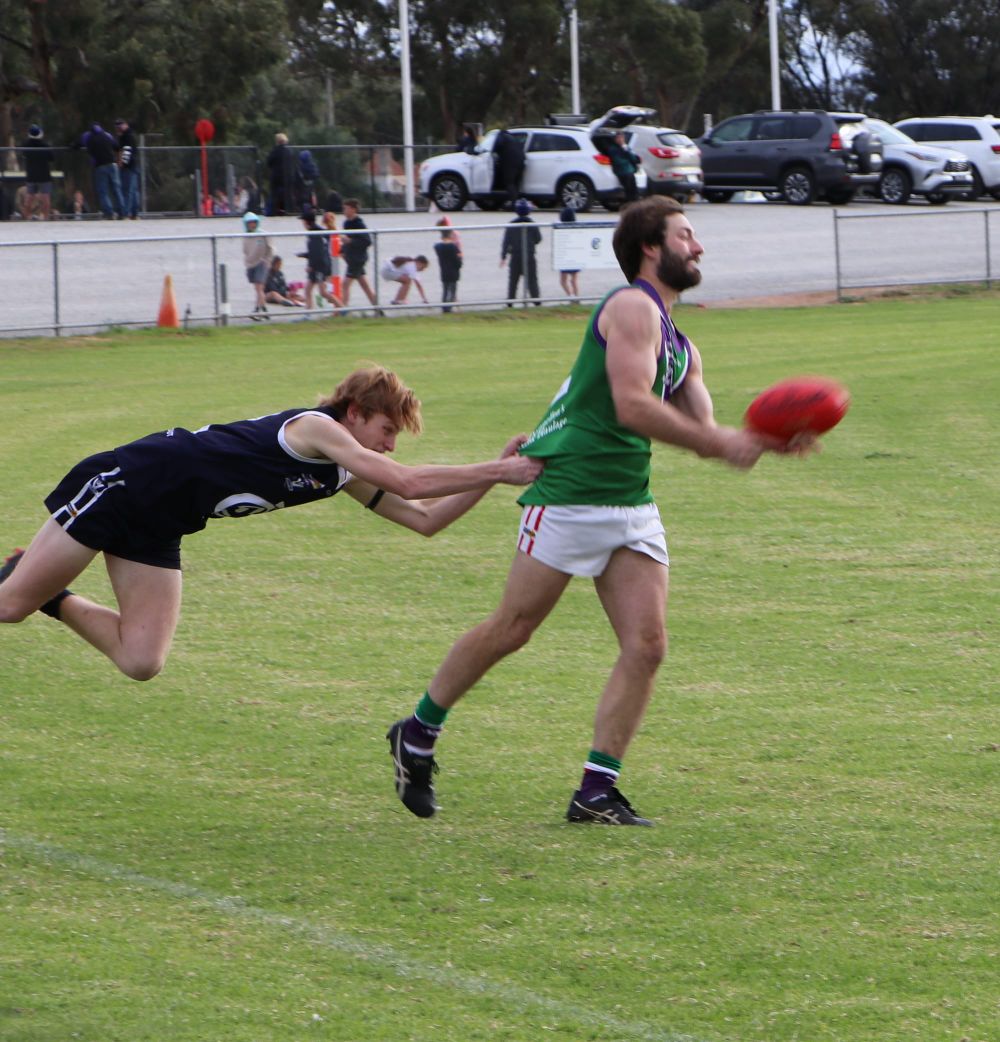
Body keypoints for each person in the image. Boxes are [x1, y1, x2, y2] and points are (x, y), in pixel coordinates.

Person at [387, 195, 814, 825]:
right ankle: (417, 732)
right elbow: (631, 406)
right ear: (651, 246)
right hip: (569, 490)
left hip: (629, 502)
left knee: (647, 646)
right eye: (686, 235)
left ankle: (596, 792)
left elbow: (707, 433)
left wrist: (770, 440)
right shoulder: (630, 308)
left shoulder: (683, 346)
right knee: (513, 628)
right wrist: (724, 443)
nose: (698, 247)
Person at [0, 367, 543, 681]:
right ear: (353, 411)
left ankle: (51, 592)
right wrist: (502, 468)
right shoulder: (316, 429)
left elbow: (424, 519)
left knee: (142, 660)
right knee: (7, 607)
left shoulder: (339, 471)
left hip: (161, 522)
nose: (389, 444)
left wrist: (490, 477)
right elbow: (407, 481)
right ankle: (25, 584)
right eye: (386, 429)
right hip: (125, 486)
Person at [297, 208, 342, 310]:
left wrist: (311, 265)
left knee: (323, 292)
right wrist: (305, 255)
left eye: (303, 221)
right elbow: (315, 251)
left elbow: (318, 253)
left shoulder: (315, 234)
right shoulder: (315, 231)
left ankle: (341, 308)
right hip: (317, 265)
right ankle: (308, 313)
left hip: (319, 267)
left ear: (306, 222)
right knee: (308, 290)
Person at [340, 198, 379, 312]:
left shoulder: (359, 224)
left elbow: (367, 241)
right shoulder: (346, 223)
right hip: (351, 258)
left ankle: (344, 310)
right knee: (364, 285)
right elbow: (347, 240)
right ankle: (377, 307)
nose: (344, 211)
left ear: (353, 209)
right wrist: (342, 250)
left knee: (345, 284)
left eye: (346, 209)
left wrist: (350, 241)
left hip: (358, 258)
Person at [501, 198, 541, 306]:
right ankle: (536, 301)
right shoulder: (532, 224)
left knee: (513, 280)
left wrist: (503, 256)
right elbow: (538, 239)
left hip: (515, 256)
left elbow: (506, 242)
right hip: (529, 255)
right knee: (532, 280)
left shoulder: (512, 225)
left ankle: (510, 302)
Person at [80, 123, 124, 219]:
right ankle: (122, 212)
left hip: (100, 166)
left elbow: (80, 145)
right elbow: (118, 147)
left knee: (103, 191)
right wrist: (119, 160)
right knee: (116, 189)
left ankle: (109, 213)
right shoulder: (107, 135)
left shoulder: (89, 138)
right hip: (112, 165)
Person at [241, 211, 273, 320]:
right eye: (249, 223)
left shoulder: (263, 234)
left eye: (254, 222)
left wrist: (267, 260)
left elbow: (270, 249)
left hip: (261, 263)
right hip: (251, 264)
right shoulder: (245, 236)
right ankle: (264, 310)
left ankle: (257, 309)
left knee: (259, 287)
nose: (252, 224)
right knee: (258, 288)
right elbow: (245, 251)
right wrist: (248, 262)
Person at [20, 124, 55, 221]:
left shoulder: (26, 145)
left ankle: (27, 217)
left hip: (31, 175)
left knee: (29, 197)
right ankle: (45, 217)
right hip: (44, 175)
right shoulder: (45, 145)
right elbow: (52, 158)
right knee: (46, 197)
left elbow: (23, 155)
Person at [114, 118, 140, 219]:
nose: (118, 128)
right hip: (133, 165)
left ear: (125, 125)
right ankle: (134, 213)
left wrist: (122, 163)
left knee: (127, 190)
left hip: (128, 166)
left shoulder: (126, 136)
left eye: (120, 125)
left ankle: (125, 212)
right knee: (133, 191)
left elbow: (127, 151)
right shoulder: (129, 135)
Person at [492, 129, 526, 205]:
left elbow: (496, 147)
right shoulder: (513, 138)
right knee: (515, 183)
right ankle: (516, 202)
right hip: (521, 160)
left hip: (510, 162)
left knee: (509, 182)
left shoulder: (501, 136)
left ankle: (514, 204)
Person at [607, 131, 642, 203]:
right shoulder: (613, 149)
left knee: (633, 187)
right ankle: (629, 201)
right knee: (628, 187)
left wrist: (626, 150)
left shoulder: (626, 147)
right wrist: (627, 160)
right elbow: (617, 161)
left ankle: (635, 200)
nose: (620, 140)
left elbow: (633, 158)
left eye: (622, 138)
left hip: (630, 170)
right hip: (622, 171)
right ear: (615, 139)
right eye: (618, 138)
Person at [434, 227, 462, 313]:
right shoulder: (453, 247)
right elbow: (458, 261)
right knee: (452, 289)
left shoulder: (438, 247)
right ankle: (449, 307)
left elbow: (436, 246)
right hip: (453, 272)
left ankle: (444, 306)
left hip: (444, 271)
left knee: (445, 290)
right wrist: (459, 263)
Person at [265, 132, 294, 215]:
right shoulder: (289, 151)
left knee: (274, 195)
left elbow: (269, 162)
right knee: (287, 194)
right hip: (287, 177)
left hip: (276, 177)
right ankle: (288, 210)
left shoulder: (275, 151)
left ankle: (273, 211)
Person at [558, 205, 581, 302]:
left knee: (563, 281)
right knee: (573, 280)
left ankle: (572, 297)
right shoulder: (577, 228)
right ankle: (575, 298)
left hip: (566, 257)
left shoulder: (561, 229)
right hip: (574, 256)